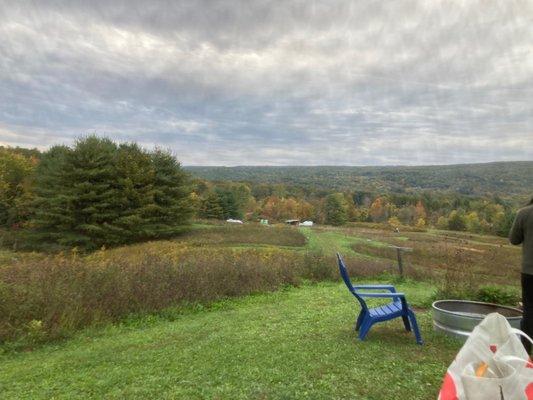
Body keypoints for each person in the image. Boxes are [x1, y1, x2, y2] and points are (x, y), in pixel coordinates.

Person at [509, 197, 533, 354]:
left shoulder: (524, 213)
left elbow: (514, 239)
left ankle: (525, 351)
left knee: (529, 311)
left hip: (530, 272)